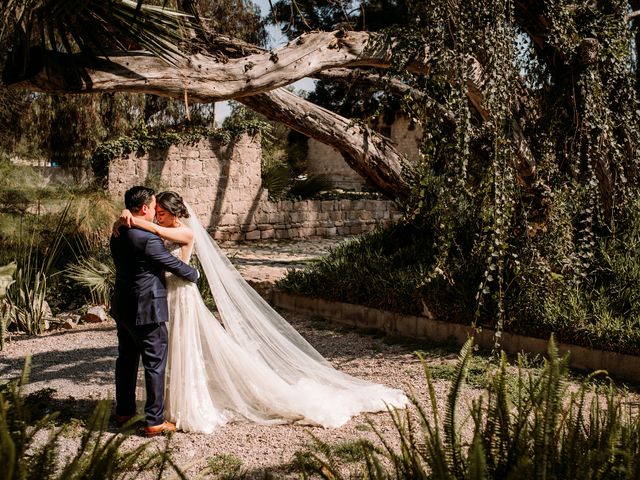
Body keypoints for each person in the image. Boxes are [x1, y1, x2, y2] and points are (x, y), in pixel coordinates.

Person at [117, 190, 408, 433]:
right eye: (155, 212)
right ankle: (164, 407)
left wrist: (130, 220)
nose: (158, 216)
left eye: (162, 213)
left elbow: (158, 235)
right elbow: (155, 239)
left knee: (172, 350)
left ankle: (161, 410)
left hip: (179, 293)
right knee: (166, 353)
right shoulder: (149, 231)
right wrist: (130, 219)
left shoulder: (177, 231)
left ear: (174, 214)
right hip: (164, 297)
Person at [110, 186, 199, 437]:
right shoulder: (147, 238)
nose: (156, 213)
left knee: (126, 360)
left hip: (123, 306)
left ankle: (124, 411)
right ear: (146, 208)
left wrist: (123, 215)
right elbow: (173, 265)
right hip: (147, 307)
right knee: (155, 363)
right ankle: (154, 421)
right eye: (153, 207)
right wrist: (195, 275)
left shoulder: (118, 231)